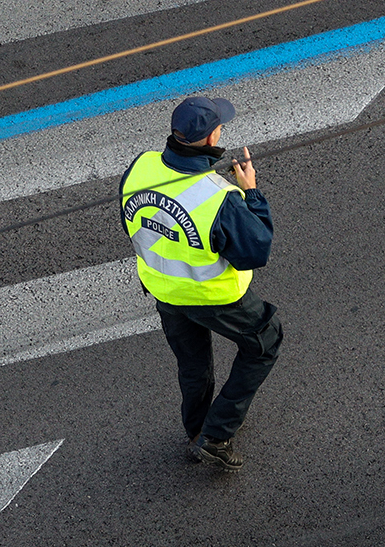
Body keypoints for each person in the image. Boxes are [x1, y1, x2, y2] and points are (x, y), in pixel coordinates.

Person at [119, 95, 283, 471]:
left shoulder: (140, 167)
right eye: (219, 127)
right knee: (265, 342)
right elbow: (255, 251)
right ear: (211, 140)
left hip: (163, 290)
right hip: (213, 296)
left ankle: (196, 431)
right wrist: (251, 194)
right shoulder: (219, 196)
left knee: (193, 365)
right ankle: (217, 435)